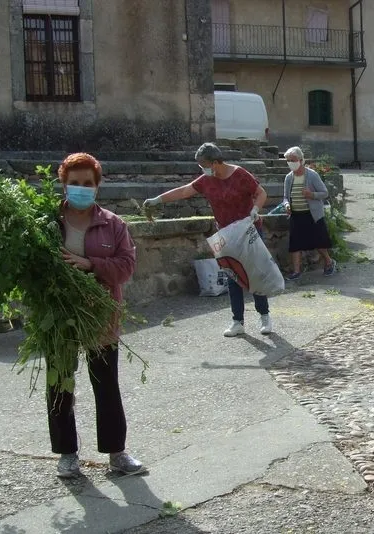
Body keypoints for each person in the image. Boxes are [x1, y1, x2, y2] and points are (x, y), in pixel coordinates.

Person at [53, 152, 145, 478]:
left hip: (100, 315)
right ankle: (67, 454)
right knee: (60, 386)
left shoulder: (113, 224)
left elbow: (126, 267)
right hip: (58, 315)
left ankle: (117, 453)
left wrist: (91, 264)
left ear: (97, 186)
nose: (80, 188)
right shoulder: (48, 223)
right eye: (74, 183)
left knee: (106, 385)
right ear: (64, 185)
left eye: (87, 184)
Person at [143, 143, 272, 338]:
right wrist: (157, 200)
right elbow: (184, 191)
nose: (201, 168)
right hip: (226, 234)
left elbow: (261, 193)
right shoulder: (206, 180)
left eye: (203, 164)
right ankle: (237, 321)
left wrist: (255, 209)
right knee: (232, 277)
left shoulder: (240, 175)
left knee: (254, 274)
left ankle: (264, 316)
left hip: (249, 231)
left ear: (215, 162)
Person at [282, 146, 336, 280]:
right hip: (296, 214)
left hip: (312, 215)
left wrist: (311, 194)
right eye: (288, 160)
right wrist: (287, 204)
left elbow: (324, 193)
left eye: (293, 160)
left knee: (318, 242)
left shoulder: (311, 175)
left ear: (300, 160)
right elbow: (285, 197)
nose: (290, 163)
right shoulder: (289, 178)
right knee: (295, 244)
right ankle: (296, 271)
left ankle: (329, 262)